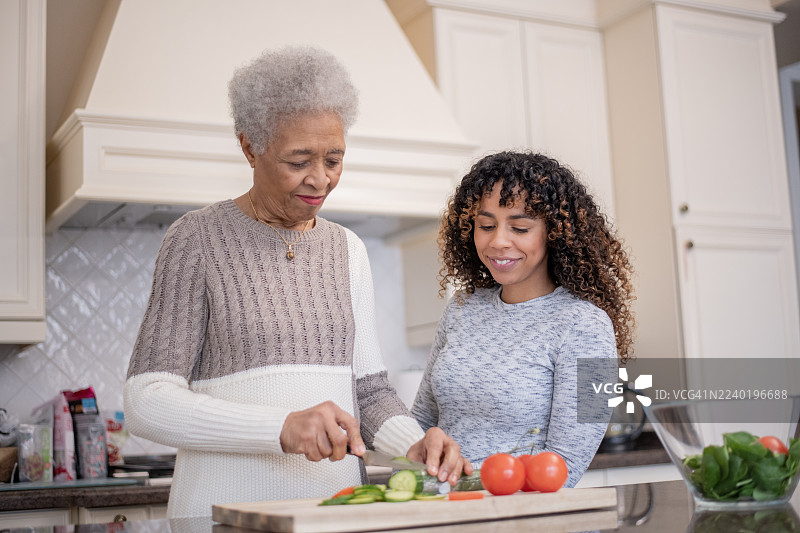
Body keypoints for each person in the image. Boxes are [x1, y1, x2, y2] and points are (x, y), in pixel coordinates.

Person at [124, 45, 471, 519]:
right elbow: (145, 401)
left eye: (334, 159)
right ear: (250, 147)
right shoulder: (196, 239)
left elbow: (369, 394)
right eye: (298, 160)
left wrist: (413, 445)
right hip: (222, 514)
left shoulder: (349, 250)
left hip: (334, 511)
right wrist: (280, 428)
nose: (320, 180)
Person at [411, 151, 635, 488]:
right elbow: (422, 423)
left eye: (520, 227)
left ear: (555, 233)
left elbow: (567, 464)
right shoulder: (461, 308)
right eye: (486, 226)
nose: (498, 241)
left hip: (517, 512)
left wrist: (470, 496)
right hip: (441, 507)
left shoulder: (587, 326)